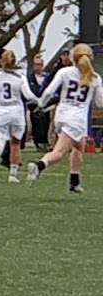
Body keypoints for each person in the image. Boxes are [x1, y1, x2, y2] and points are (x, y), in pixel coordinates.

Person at [28, 43, 103, 192]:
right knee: (59, 152)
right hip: (76, 119)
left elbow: (49, 92)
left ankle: (74, 182)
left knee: (78, 147)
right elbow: (100, 103)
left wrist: (41, 104)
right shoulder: (95, 77)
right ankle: (39, 165)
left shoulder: (65, 72)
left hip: (61, 115)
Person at [0, 50, 37, 183]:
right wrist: (39, 101)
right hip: (17, 112)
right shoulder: (20, 77)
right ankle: (13, 175)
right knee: (16, 143)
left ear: (1, 61)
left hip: (1, 111)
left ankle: (2, 151)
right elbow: (28, 96)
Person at [27, 55, 51, 151]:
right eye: (36, 64)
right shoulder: (29, 78)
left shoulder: (46, 77)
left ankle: (45, 142)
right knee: (36, 123)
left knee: (46, 122)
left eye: (40, 64)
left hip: (45, 104)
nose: (38, 66)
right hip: (34, 104)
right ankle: (38, 143)